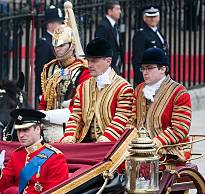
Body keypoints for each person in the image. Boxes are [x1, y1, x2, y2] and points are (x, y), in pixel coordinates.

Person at [104, 48, 192, 194]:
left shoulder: (179, 92)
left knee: (141, 165)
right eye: (143, 68)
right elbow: (132, 121)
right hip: (140, 146)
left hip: (169, 150)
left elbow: (180, 129)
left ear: (163, 69)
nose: (145, 72)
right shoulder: (139, 90)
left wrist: (153, 144)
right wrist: (126, 141)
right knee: (110, 163)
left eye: (149, 68)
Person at [61, 38, 133, 143]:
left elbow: (121, 118)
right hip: (84, 142)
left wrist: (106, 138)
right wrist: (69, 135)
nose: (89, 65)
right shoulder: (83, 87)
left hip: (111, 144)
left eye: (94, 61)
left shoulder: (123, 88)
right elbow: (75, 116)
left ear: (108, 61)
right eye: (88, 60)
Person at [0, 108, 69, 194]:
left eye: (25, 130)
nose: (21, 135)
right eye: (19, 130)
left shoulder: (55, 157)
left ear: (37, 129)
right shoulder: (16, 155)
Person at [37, 4, 90, 142]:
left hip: (72, 125)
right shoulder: (50, 68)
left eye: (61, 45)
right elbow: (45, 100)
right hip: (48, 121)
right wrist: (41, 116)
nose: (57, 49)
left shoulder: (82, 71)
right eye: (55, 45)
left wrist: (47, 116)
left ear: (72, 45)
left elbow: (79, 106)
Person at [132, 6, 167, 86]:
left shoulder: (158, 32)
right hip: (149, 77)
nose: (153, 19)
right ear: (144, 18)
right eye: (150, 17)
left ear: (159, 17)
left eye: (155, 16)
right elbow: (138, 59)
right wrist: (141, 79)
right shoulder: (141, 34)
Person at [34, 5, 63, 101]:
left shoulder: (57, 40)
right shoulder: (45, 42)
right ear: (50, 25)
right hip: (48, 89)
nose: (61, 25)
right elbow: (41, 69)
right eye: (58, 23)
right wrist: (42, 91)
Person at [94, 0, 123, 74]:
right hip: (107, 67)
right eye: (117, 9)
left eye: (120, 9)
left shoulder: (114, 25)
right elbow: (99, 47)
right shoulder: (103, 26)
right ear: (109, 11)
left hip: (114, 65)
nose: (120, 12)